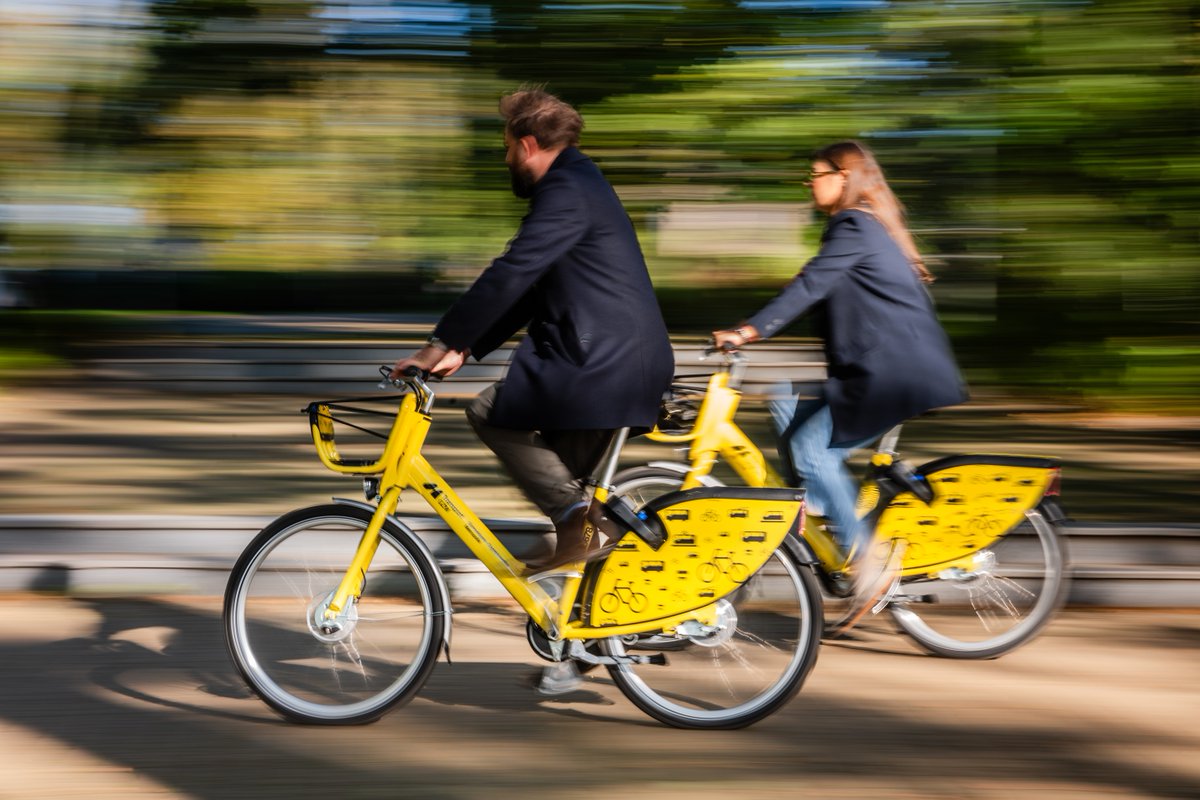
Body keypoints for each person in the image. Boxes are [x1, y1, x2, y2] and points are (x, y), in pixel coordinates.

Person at [391, 87, 674, 582]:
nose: (505, 159)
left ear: (526, 146)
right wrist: (465, 344)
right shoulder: (579, 184)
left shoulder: (566, 192)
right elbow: (532, 288)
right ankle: (582, 638)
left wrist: (437, 342)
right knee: (566, 491)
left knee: (489, 413)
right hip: (615, 364)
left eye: (505, 148)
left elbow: (513, 271)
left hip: (604, 367)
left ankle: (576, 523)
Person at [713, 140, 967, 592]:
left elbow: (811, 286)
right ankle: (815, 503)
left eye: (816, 174)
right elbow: (818, 287)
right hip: (886, 369)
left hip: (894, 375)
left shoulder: (853, 224)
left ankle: (868, 562)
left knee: (813, 450)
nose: (810, 184)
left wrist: (748, 332)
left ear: (843, 178)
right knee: (783, 397)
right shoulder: (863, 228)